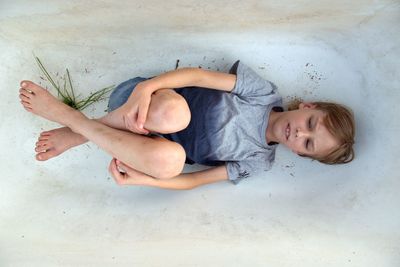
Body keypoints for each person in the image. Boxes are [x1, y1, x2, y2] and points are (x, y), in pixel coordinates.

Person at [18, 60, 355, 190]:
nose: (300, 132)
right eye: (310, 123)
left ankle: (78, 125)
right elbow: (196, 76)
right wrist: (144, 89)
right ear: (308, 107)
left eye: (307, 143)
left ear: (299, 153)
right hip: (139, 103)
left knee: (172, 163)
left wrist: (144, 180)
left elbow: (193, 182)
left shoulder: (258, 161)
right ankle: (76, 125)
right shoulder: (263, 94)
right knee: (175, 115)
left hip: (140, 148)